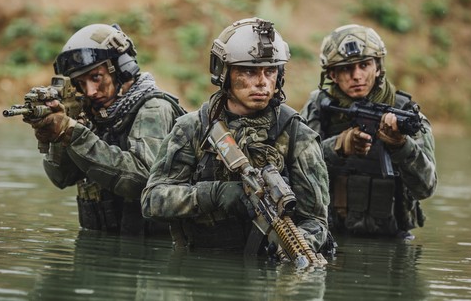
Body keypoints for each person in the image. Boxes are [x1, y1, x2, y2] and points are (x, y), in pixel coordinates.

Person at [141, 17, 331, 257]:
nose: (262, 82)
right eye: (249, 71)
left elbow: (316, 221)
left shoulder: (297, 136)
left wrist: (293, 248)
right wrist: (214, 194)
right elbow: (152, 201)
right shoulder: (193, 128)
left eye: (270, 71)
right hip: (198, 267)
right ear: (225, 73)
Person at [26, 23, 185, 235]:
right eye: (81, 83)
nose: (90, 91)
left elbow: (143, 180)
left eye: (96, 77)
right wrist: (57, 137)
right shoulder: (95, 113)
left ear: (122, 68)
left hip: (147, 252)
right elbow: (61, 179)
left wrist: (72, 133)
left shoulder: (153, 108)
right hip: (101, 246)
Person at [300, 24, 437, 240]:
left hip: (392, 242)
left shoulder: (405, 112)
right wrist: (339, 146)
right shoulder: (319, 108)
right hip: (331, 238)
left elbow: (426, 187)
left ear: (378, 67)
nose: (357, 76)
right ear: (332, 74)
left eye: (364, 65)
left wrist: (401, 146)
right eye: (346, 68)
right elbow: (296, 173)